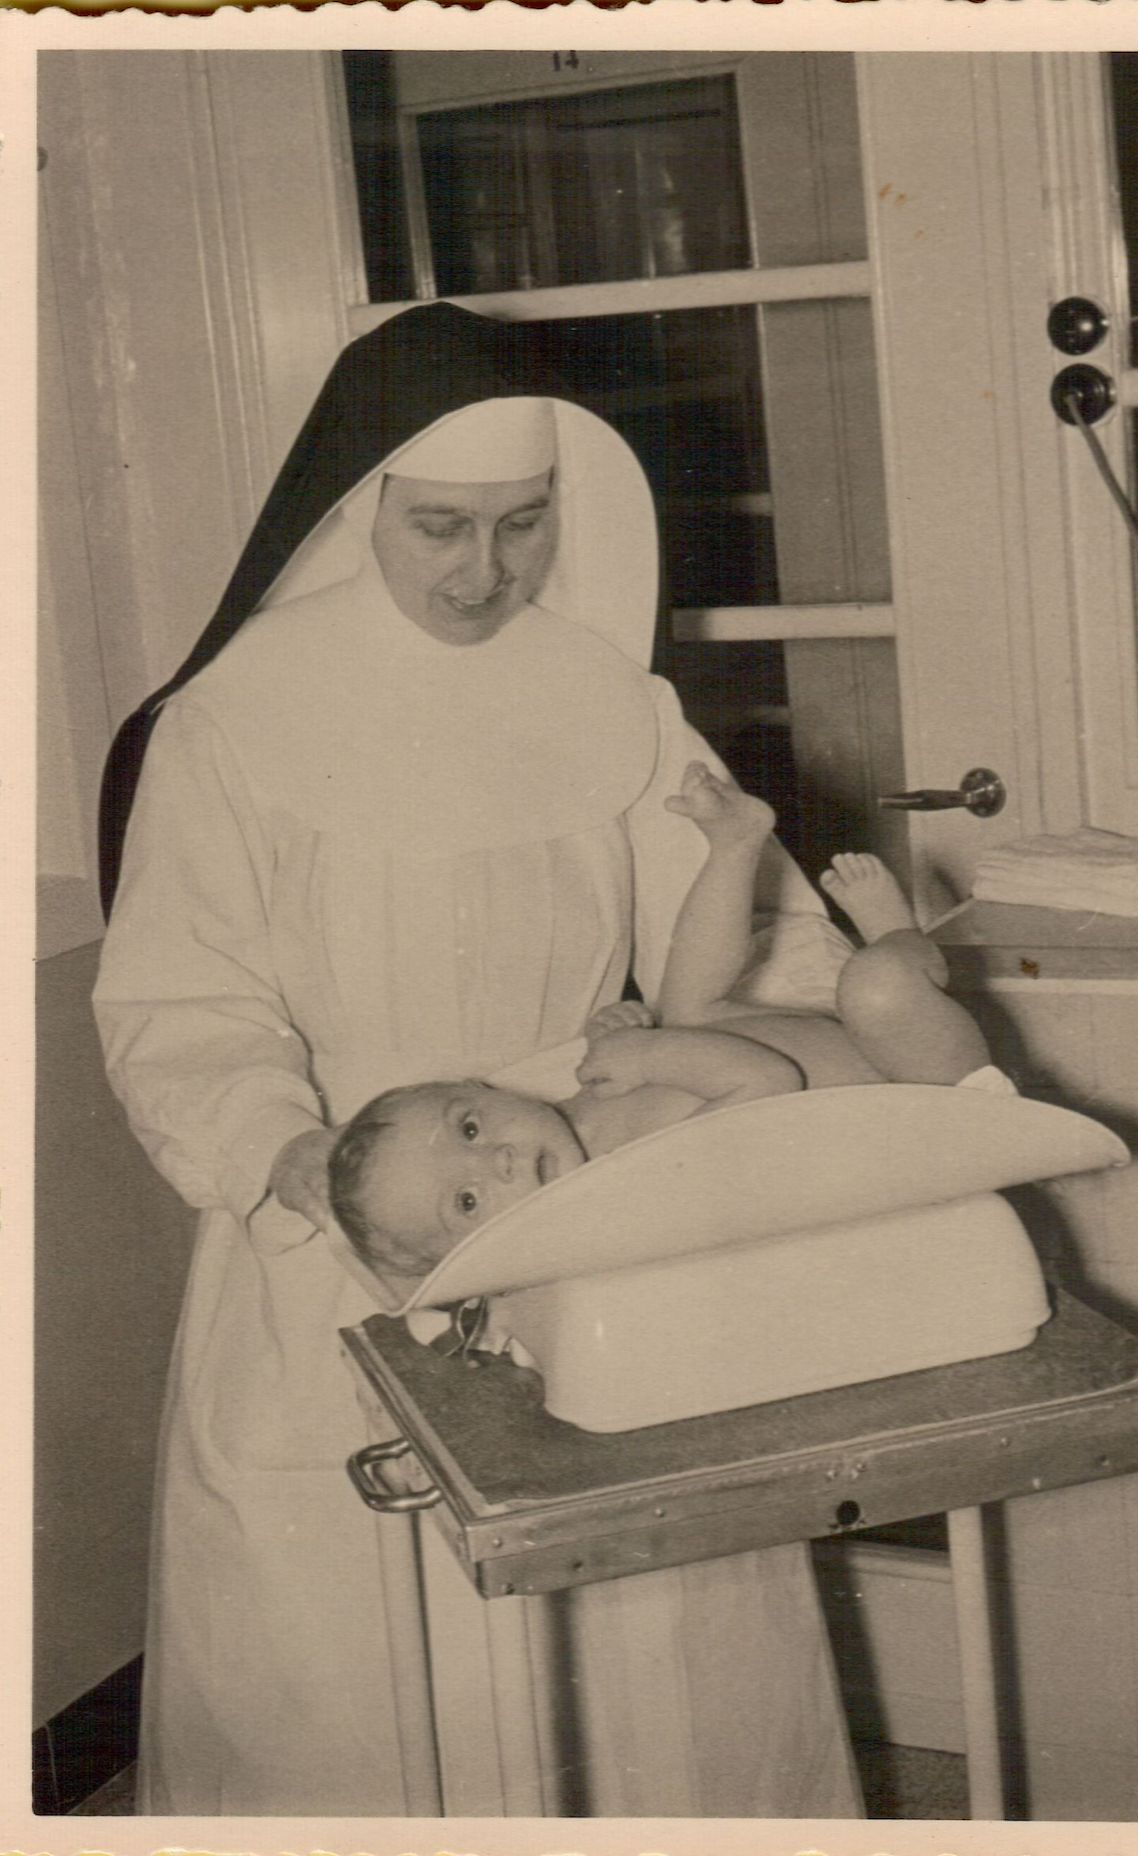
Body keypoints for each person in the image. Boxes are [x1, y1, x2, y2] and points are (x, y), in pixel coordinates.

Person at [93, 304, 865, 1817]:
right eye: (442, 527)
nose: (484, 573)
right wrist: (293, 1155)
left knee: (653, 1644)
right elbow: (183, 1001)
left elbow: (740, 930)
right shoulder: (234, 723)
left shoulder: (607, 695)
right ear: (357, 506)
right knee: (342, 1662)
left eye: (522, 528)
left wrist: (862, 1028)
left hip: (586, 1185)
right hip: (335, 1215)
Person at [329, 761, 996, 1290]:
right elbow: (767, 1080)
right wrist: (648, 1055)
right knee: (876, 988)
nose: (496, 1159)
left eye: (469, 1127)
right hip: (929, 1089)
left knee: (684, 1010)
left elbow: (668, 1059)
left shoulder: (575, 1114)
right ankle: (898, 938)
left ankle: (735, 846)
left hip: (845, 1044)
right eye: (468, 1202)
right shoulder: (621, 1187)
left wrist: (615, 1033)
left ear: (484, 1088)